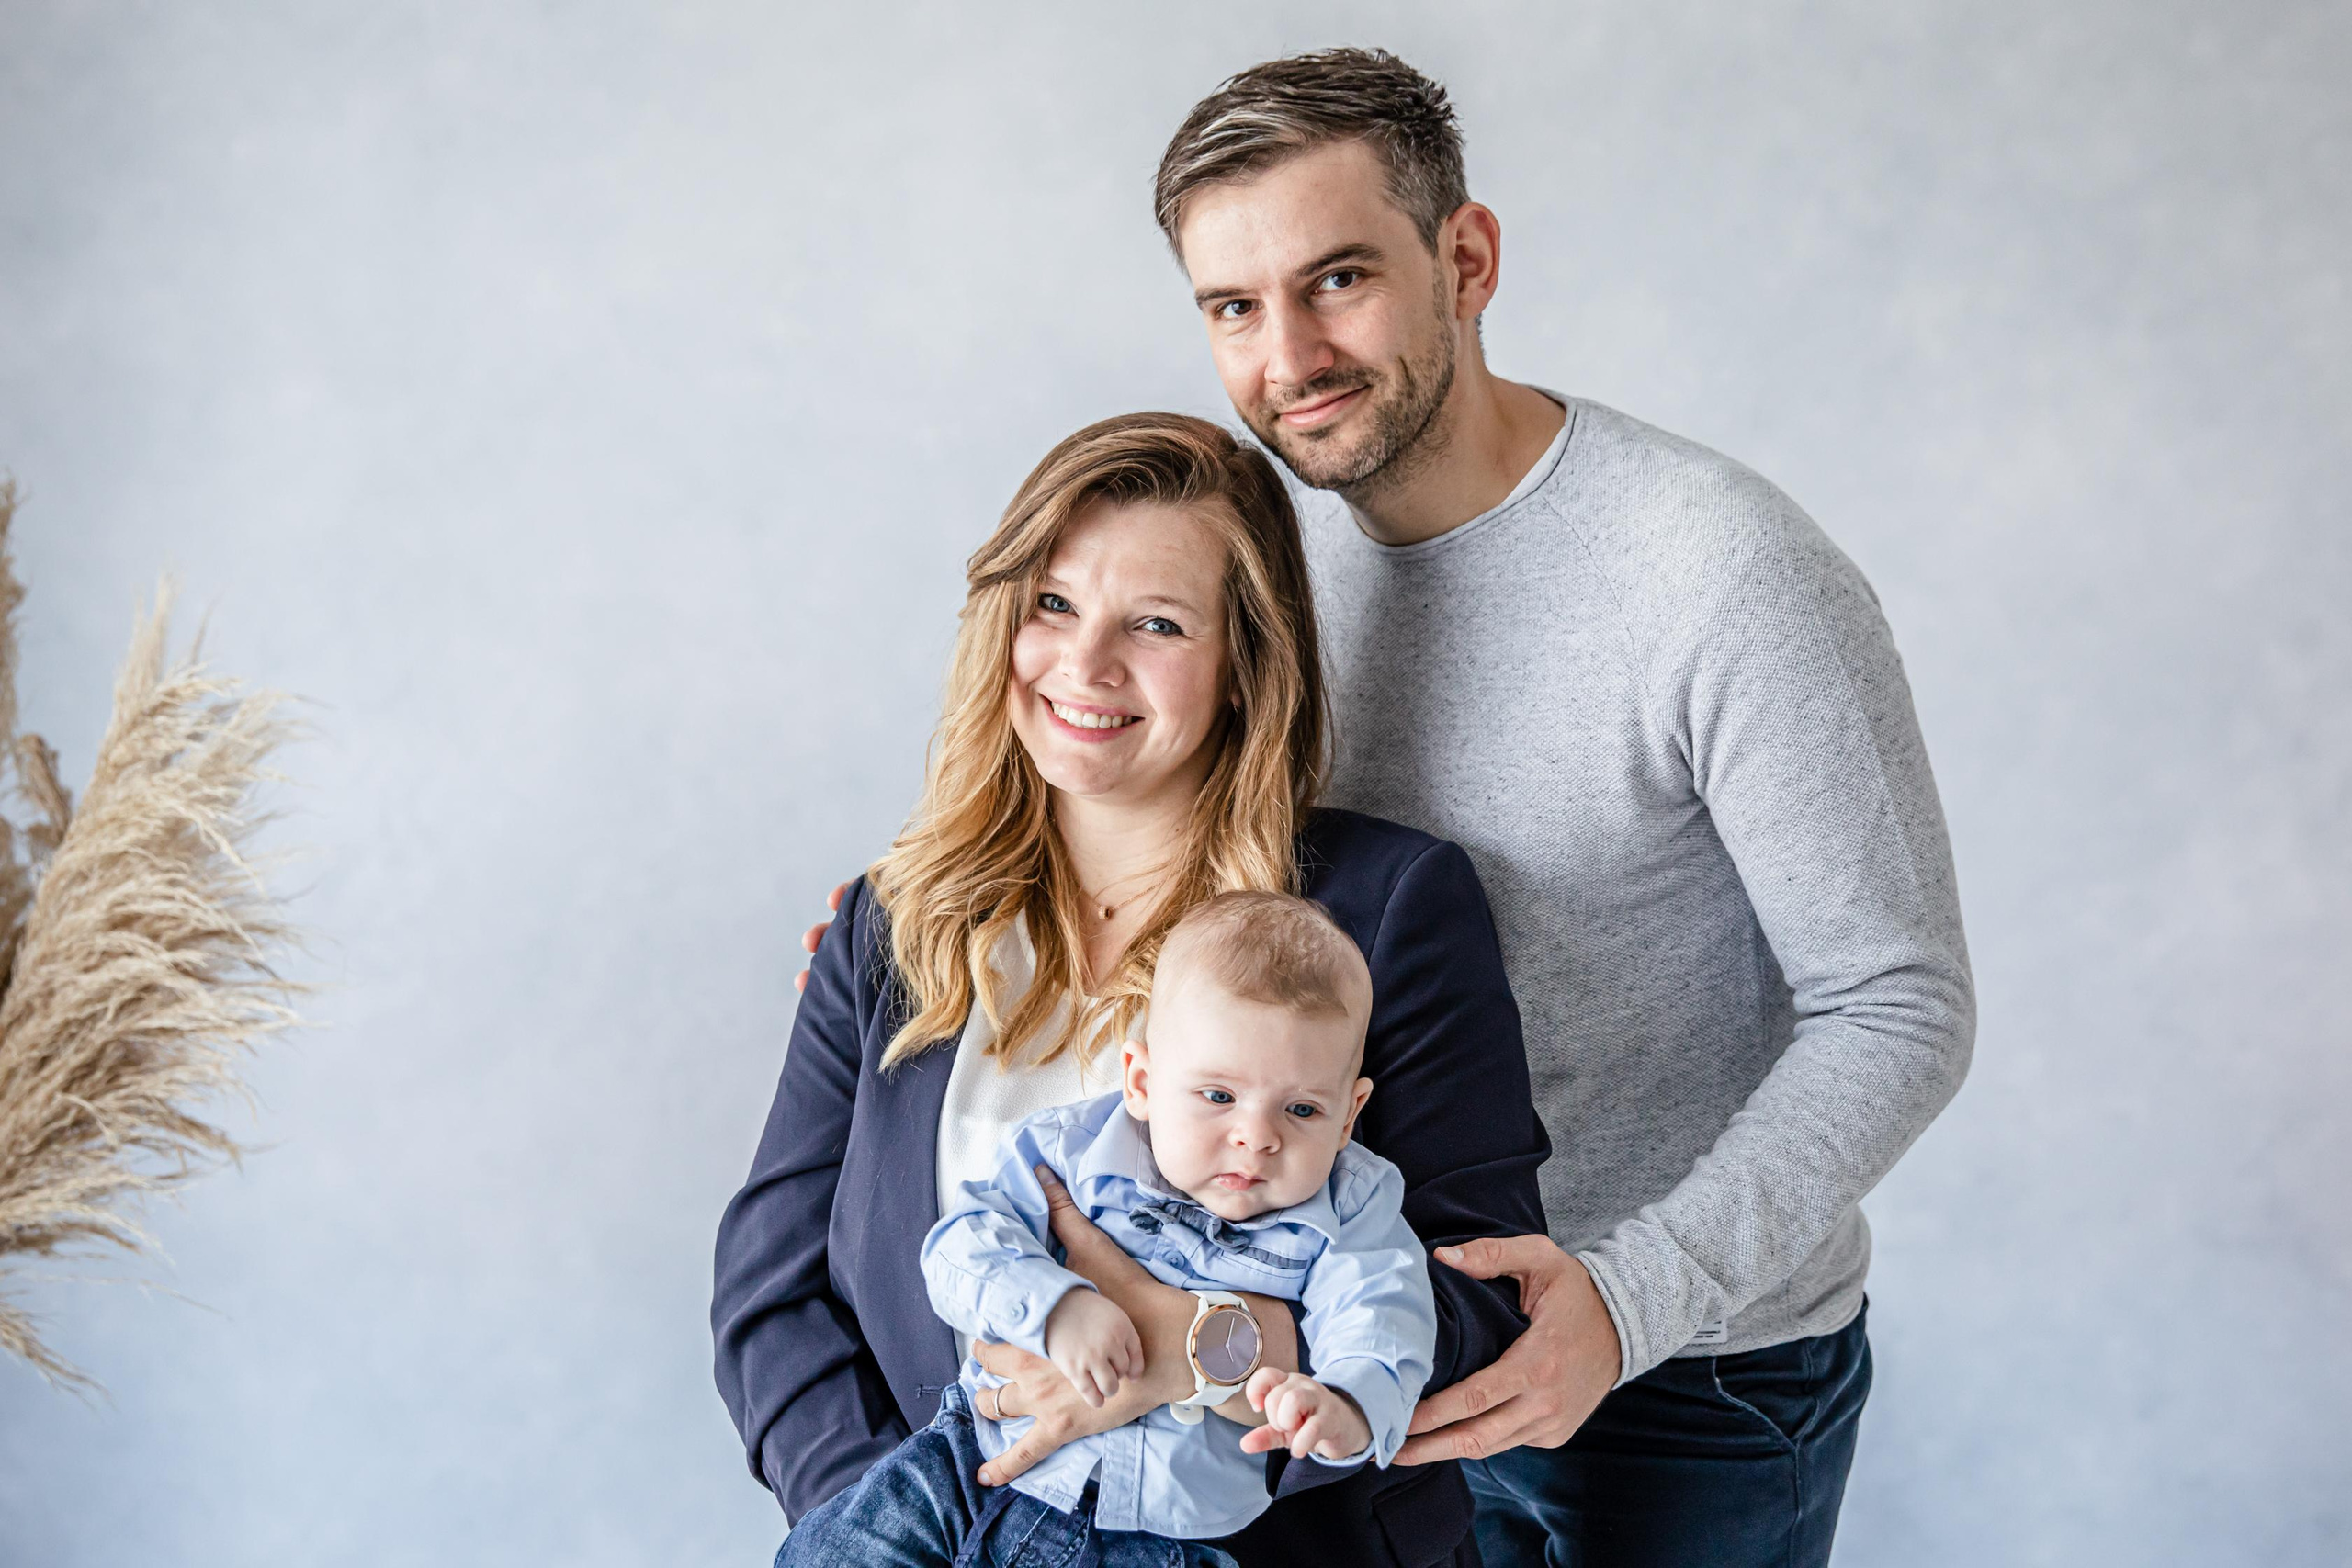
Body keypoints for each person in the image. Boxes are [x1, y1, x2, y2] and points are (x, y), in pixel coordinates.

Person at [797, 48, 1977, 1568]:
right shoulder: (1272, 575)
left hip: (1680, 1376)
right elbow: (1143, 807)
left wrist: (1624, 1301)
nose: (1290, 353)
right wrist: (919, 911)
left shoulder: (1723, 577)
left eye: (1338, 277)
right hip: (1317, 1338)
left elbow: (1900, 1003)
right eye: (1234, 306)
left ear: (1466, 259)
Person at [714, 412, 1549, 1568]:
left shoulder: (1383, 910)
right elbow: (774, 1294)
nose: (1085, 665)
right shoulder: (896, 922)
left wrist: (1205, 1346)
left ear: (1247, 666)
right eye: (1052, 605)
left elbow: (1484, 1293)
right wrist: (896, 1523)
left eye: (1155, 625)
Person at [775, 891, 1438, 1564]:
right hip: (968, 1465)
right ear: (1142, 1079)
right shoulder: (1070, 1149)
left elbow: (1384, 1311)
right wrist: (1055, 1307)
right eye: (1218, 1096)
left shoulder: (1353, 1202)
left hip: (1161, 1538)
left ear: (1349, 1113)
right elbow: (962, 1243)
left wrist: (1351, 1401)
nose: (1255, 1137)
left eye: (1302, 1108)